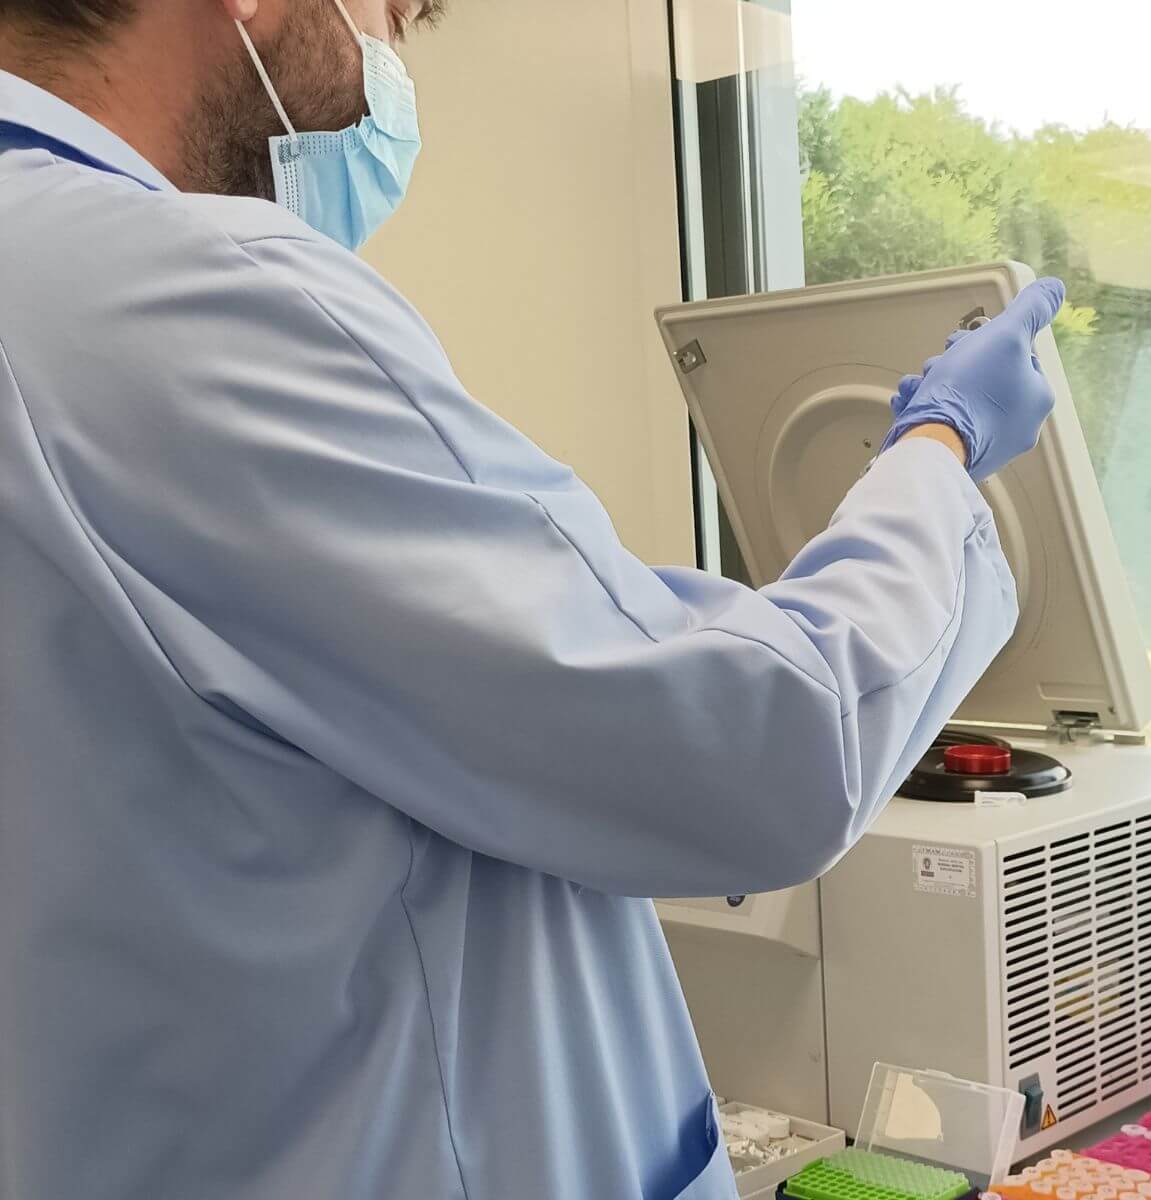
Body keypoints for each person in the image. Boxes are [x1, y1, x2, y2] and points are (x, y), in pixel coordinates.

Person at [0, 0, 1065, 1194]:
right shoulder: (177, 296)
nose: (384, 73)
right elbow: (756, 746)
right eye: (388, 19)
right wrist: (938, 450)